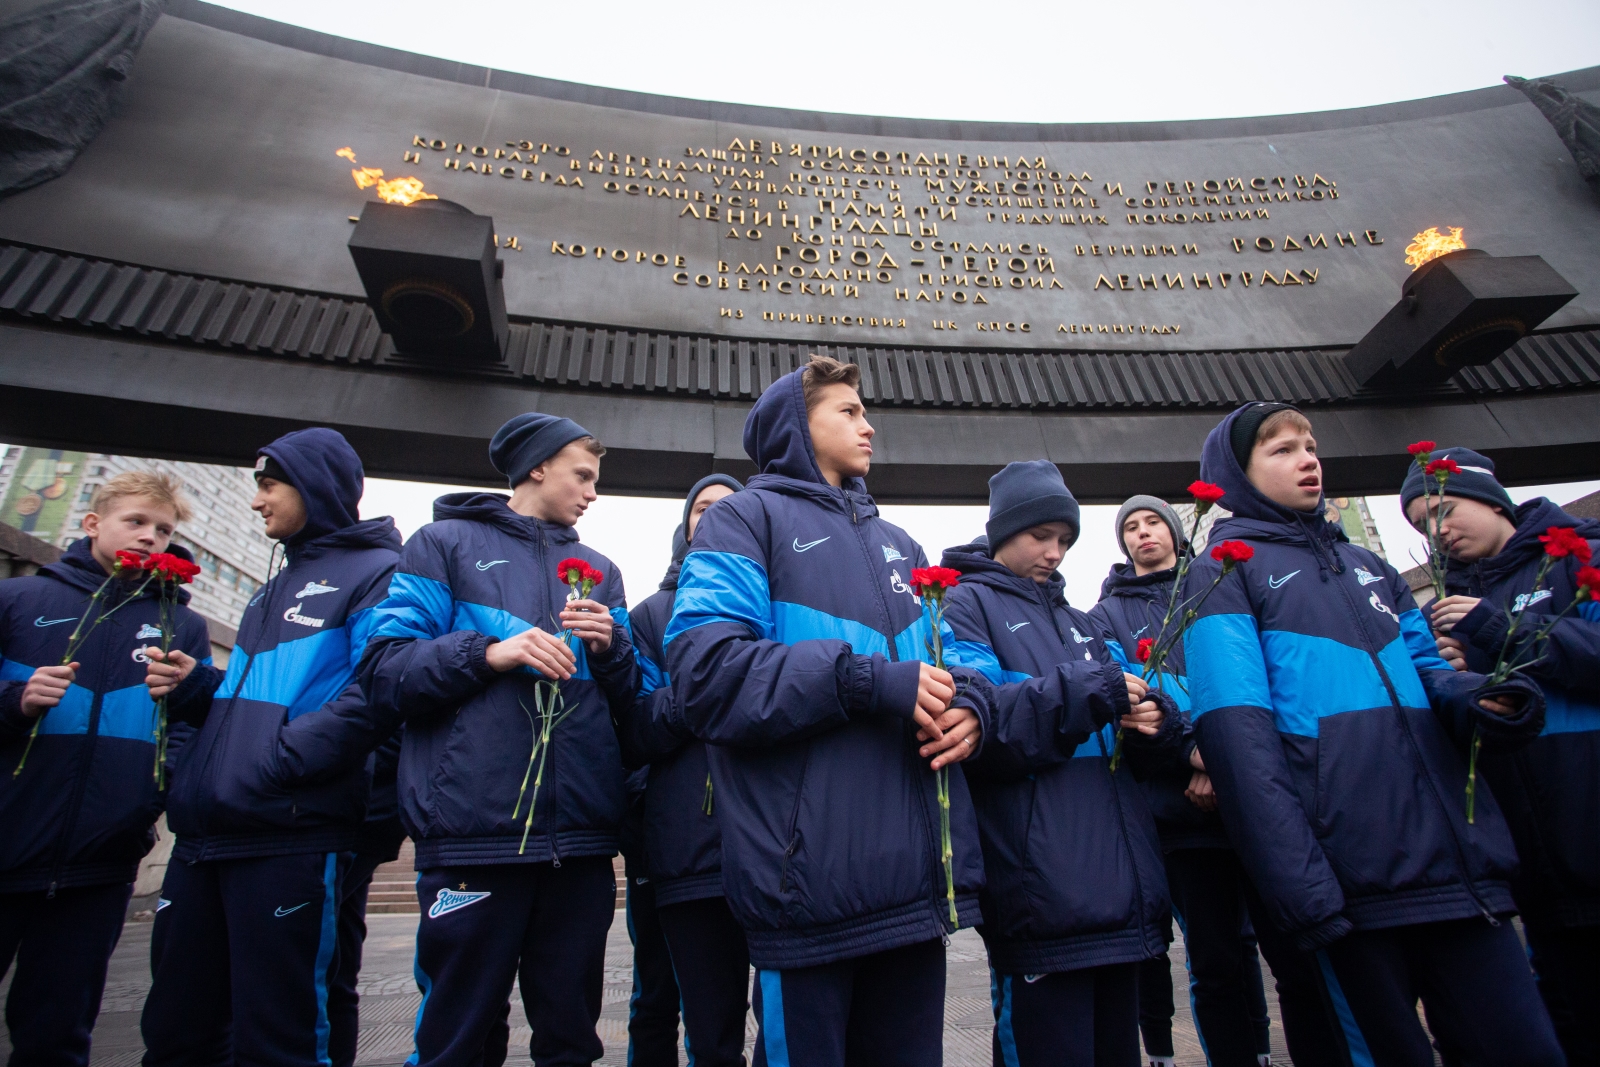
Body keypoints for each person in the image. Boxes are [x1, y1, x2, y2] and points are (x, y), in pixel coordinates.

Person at [1184, 402, 1560, 1066]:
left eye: (1310, 444)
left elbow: (1424, 671)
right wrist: (1300, 887)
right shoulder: (1221, 577)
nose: (1307, 458)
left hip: (1458, 873)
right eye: (1281, 449)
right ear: (1234, 474)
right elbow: (1238, 741)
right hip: (1348, 886)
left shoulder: (1373, 567)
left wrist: (1483, 700)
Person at [664, 355, 987, 1067]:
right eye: (848, 410)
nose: (868, 425)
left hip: (913, 897)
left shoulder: (901, 543)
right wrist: (863, 680)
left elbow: (956, 664)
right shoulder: (744, 521)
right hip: (805, 899)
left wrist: (973, 710)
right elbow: (705, 675)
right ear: (794, 424)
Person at [358, 413, 638, 1067]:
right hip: (473, 834)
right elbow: (384, 670)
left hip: (580, 845)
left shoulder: (601, 569)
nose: (593, 491)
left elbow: (633, 699)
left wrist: (614, 648)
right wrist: (490, 652)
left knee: (570, 1039)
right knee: (458, 1037)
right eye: (583, 474)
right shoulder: (441, 544)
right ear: (537, 466)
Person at [139, 429, 403, 1067]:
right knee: (176, 1031)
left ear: (315, 486)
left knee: (278, 1038)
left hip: (289, 836)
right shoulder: (269, 587)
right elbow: (262, 700)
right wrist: (199, 688)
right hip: (205, 837)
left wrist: (276, 763)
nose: (256, 500)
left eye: (268, 483)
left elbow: (379, 690)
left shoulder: (378, 573)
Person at [937, 461, 1179, 1067]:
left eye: (1065, 539)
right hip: (1042, 899)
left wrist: (1157, 721)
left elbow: (1134, 697)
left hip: (1120, 897)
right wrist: (1082, 692)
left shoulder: (1083, 622)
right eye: (1040, 535)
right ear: (1001, 534)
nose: (1055, 552)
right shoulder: (964, 607)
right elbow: (978, 724)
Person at [1092, 496, 1339, 1067]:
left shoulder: (1220, 583)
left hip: (1256, 801)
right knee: (1216, 961)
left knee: (1295, 951)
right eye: (1130, 527)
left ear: (1177, 531)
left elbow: (1258, 679)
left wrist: (1229, 762)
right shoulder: (1105, 616)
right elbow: (1132, 704)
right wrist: (1192, 754)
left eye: (1153, 521)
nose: (1142, 532)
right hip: (1181, 811)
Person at [0, 473, 210, 1067]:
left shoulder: (181, 626)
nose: (150, 538)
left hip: (102, 860)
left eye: (163, 530)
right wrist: (14, 702)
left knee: (60, 1030)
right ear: (92, 523)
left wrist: (154, 789)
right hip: (10, 840)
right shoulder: (18, 601)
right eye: (136, 522)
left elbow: (189, 726)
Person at [1402, 446, 1600, 1067]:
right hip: (1531, 852)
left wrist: (1501, 634)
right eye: (1423, 524)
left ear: (1491, 499)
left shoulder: (1577, 555)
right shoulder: (1450, 604)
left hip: (1587, 812)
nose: (1439, 530)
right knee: (1567, 1011)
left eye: (1445, 509)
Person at [617, 473, 747, 1067]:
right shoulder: (648, 616)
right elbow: (634, 726)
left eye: (730, 507)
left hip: (768, 844)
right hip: (680, 848)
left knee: (783, 1019)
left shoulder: (768, 604)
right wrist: (710, 689)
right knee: (674, 1006)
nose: (714, 516)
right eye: (702, 508)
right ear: (685, 523)